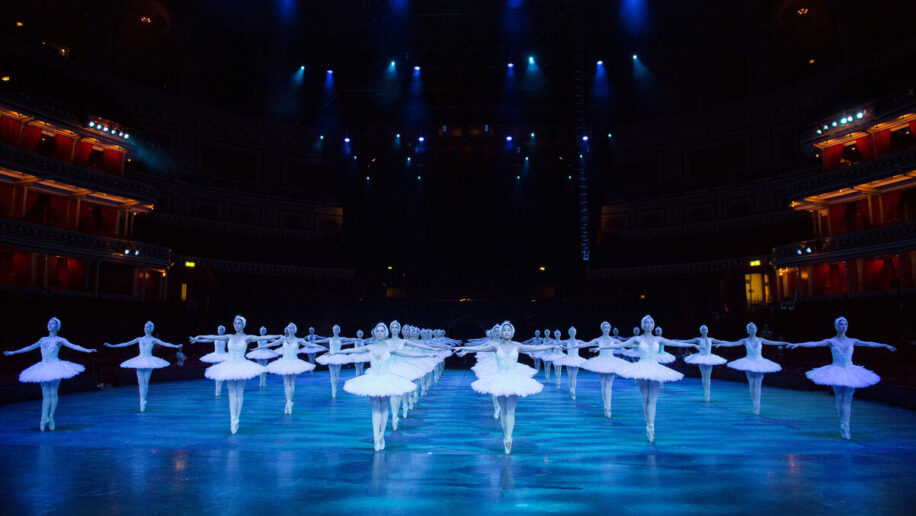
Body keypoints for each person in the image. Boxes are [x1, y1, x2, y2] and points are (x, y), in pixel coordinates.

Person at [455, 321, 555, 454]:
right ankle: (505, 435)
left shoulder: (517, 346)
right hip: (499, 378)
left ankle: (509, 437)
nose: (507, 332)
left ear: (512, 332)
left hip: (514, 379)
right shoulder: (495, 346)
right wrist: (466, 349)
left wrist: (552, 345)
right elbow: (480, 348)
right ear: (502, 332)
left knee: (511, 410)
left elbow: (535, 348)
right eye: (505, 330)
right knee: (503, 410)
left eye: (509, 330)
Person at [788, 317, 896, 439]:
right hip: (836, 370)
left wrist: (885, 345)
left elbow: (869, 343)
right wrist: (798, 344)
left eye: (845, 324)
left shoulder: (853, 341)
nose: (843, 326)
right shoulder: (831, 341)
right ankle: (843, 424)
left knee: (848, 399)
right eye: (841, 324)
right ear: (836, 326)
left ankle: (846, 426)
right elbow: (815, 343)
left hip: (850, 371)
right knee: (839, 398)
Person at [333, 323, 431, 451]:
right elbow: (352, 350)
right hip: (373, 380)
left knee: (384, 408)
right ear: (375, 332)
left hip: (387, 380)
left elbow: (409, 354)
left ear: (385, 333)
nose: (379, 333)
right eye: (377, 331)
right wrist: (335, 352)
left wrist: (426, 355)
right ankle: (376, 437)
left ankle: (381, 435)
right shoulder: (370, 347)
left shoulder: (390, 349)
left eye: (381, 331)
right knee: (375, 409)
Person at [190, 316, 282, 433]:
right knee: (231, 393)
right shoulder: (229, 336)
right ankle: (233, 419)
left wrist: (278, 335)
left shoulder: (247, 337)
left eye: (239, 323)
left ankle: (237, 417)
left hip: (242, 365)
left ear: (243, 325)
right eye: (235, 323)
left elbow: (263, 337)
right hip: (230, 365)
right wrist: (199, 336)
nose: (237, 325)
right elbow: (214, 336)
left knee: (239, 392)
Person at [4, 317, 96, 431]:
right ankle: (44, 418)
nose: (50, 325)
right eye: (49, 323)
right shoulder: (42, 339)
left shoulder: (60, 340)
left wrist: (86, 350)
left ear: (57, 327)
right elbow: (29, 347)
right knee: (45, 394)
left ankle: (51, 417)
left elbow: (74, 346)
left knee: (53, 393)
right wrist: (14, 352)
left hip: (55, 366)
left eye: (53, 324)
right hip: (43, 366)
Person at [617, 315, 697, 442]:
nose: (649, 324)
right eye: (646, 322)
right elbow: (621, 344)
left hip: (655, 368)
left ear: (653, 325)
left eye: (651, 322)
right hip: (642, 367)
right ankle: (647, 423)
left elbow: (675, 342)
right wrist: (602, 347)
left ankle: (651, 427)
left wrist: (693, 344)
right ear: (643, 325)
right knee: (645, 398)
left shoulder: (658, 339)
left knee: (653, 399)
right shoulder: (637, 338)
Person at [714, 322, 791, 416]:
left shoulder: (761, 340)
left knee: (758, 385)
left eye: (754, 328)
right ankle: (754, 404)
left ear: (756, 329)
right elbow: (732, 344)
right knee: (751, 384)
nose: (753, 329)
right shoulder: (745, 340)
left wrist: (786, 342)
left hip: (760, 362)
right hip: (749, 362)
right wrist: (721, 344)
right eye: (751, 328)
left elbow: (773, 343)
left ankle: (757, 407)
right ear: (748, 330)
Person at [103, 321, 182, 412]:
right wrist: (112, 346)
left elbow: (165, 343)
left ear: (151, 329)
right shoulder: (139, 339)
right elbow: (126, 343)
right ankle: (142, 401)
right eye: (145, 327)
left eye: (148, 327)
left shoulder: (153, 340)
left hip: (149, 360)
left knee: (146, 382)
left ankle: (144, 399)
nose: (146, 328)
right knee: (140, 382)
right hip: (140, 360)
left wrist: (176, 345)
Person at [580, 321, 631, 417]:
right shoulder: (598, 339)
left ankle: (608, 407)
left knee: (609, 385)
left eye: (608, 327)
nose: (606, 329)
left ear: (610, 329)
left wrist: (638, 345)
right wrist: (574, 346)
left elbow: (625, 344)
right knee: (603, 384)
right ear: (602, 329)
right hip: (601, 362)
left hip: (611, 362)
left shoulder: (613, 340)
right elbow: (586, 344)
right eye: (605, 327)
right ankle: (605, 406)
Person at [264, 323, 316, 414]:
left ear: (295, 329)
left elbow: (310, 344)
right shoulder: (283, 339)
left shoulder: (299, 340)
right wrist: (260, 347)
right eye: (289, 327)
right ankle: (288, 402)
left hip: (294, 362)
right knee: (286, 383)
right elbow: (273, 343)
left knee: (292, 383)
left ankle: (289, 402)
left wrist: (322, 346)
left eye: (292, 327)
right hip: (285, 362)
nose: (291, 329)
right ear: (287, 329)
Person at [677, 325, 729, 402]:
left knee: (708, 376)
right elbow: (687, 341)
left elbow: (721, 341)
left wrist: (733, 343)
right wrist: (675, 341)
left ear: (708, 331)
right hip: (701, 357)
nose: (705, 330)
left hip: (709, 358)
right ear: (701, 331)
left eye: (706, 329)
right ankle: (705, 391)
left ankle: (707, 394)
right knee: (703, 376)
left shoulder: (711, 339)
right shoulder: (697, 339)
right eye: (703, 329)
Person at [314, 324, 357, 398]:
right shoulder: (330, 338)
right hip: (331, 356)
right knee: (332, 374)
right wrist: (313, 341)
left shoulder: (341, 338)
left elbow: (350, 339)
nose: (335, 330)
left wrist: (359, 339)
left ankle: (335, 388)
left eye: (337, 329)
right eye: (334, 329)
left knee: (337, 374)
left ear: (339, 330)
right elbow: (321, 340)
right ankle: (333, 390)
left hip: (339, 356)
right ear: (333, 330)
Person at [554, 327, 589, 400]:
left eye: (574, 331)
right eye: (571, 331)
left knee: (574, 376)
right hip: (568, 359)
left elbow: (587, 344)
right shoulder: (566, 341)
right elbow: (557, 344)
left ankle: (573, 390)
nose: (572, 333)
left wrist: (597, 343)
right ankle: (571, 389)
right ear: (569, 332)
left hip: (576, 359)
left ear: (575, 332)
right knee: (570, 375)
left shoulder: (578, 341)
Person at [195, 325, 228, 396]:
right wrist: (197, 340)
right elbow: (206, 340)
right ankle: (217, 391)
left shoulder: (225, 338)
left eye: (221, 329)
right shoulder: (215, 337)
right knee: (216, 372)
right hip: (216, 356)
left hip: (223, 356)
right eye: (219, 329)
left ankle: (219, 389)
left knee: (221, 373)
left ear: (223, 331)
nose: (220, 331)